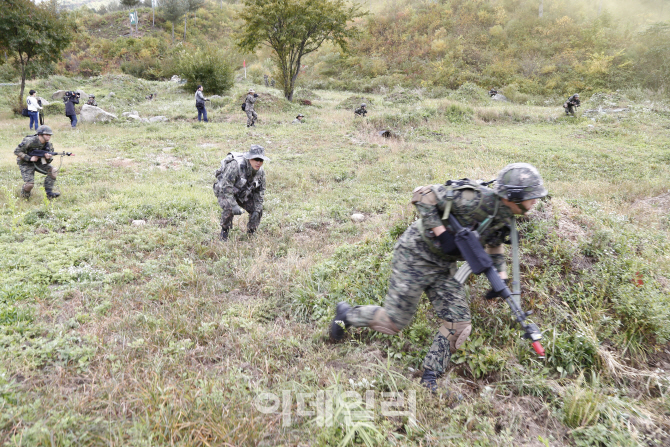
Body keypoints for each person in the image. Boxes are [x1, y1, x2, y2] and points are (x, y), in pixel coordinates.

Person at [329, 163, 548, 392]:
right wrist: (443, 235)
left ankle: (430, 374)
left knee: (459, 324)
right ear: (513, 195)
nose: (535, 200)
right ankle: (347, 314)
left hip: (443, 265)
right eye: (531, 196)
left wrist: (501, 279)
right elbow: (422, 194)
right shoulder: (473, 199)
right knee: (393, 322)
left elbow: (494, 246)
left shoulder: (504, 216)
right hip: (415, 254)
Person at [213, 144, 269, 241]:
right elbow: (226, 187)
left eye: (261, 160)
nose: (258, 162)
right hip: (225, 191)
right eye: (256, 159)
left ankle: (251, 233)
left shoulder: (260, 173)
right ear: (249, 158)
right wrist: (234, 205)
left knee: (257, 209)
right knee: (229, 208)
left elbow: (259, 192)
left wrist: (257, 208)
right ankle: (224, 232)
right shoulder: (236, 166)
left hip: (242, 193)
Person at [14, 125, 61, 199]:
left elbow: (48, 160)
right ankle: (24, 198)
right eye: (47, 135)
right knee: (29, 185)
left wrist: (47, 158)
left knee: (53, 171)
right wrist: (29, 158)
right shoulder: (30, 141)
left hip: (38, 162)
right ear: (40, 135)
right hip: (25, 162)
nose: (49, 137)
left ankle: (49, 194)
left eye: (50, 135)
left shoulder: (48, 145)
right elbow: (17, 151)